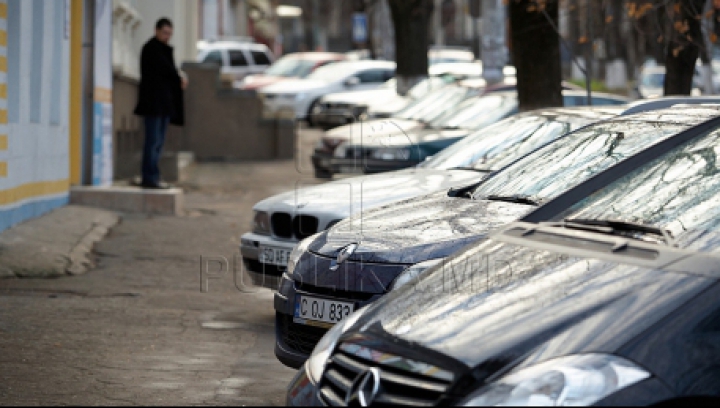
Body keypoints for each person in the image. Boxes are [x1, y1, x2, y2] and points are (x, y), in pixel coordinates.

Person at [134, 18, 187, 189]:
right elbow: (165, 71)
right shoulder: (151, 49)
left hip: (163, 104)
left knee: (159, 142)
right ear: (156, 30)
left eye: (169, 34)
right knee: (153, 141)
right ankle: (149, 177)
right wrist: (178, 78)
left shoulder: (164, 49)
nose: (167, 37)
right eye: (164, 33)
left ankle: (153, 176)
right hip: (153, 104)